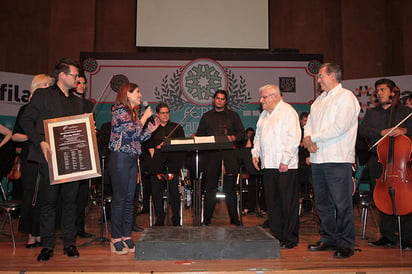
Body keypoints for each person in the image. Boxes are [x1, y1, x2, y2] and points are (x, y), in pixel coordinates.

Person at [20, 58, 86, 262]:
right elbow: (26, 120)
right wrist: (39, 141)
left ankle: (69, 243)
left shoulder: (77, 101)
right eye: (74, 75)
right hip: (48, 158)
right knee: (47, 203)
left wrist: (88, 132)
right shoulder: (43, 95)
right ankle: (47, 245)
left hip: (71, 160)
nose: (77, 79)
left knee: (70, 203)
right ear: (62, 75)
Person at [303, 63, 360, 259]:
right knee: (322, 203)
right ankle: (328, 239)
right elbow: (308, 124)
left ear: (333, 76)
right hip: (318, 158)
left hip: (337, 158)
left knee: (341, 203)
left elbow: (340, 127)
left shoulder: (346, 97)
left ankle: (346, 243)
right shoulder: (319, 100)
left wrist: (313, 138)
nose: (318, 80)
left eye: (321, 76)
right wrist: (308, 139)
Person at [358, 78, 412, 251]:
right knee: (382, 197)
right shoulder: (372, 113)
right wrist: (382, 132)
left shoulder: (405, 111)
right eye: (378, 90)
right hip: (379, 160)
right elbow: (363, 130)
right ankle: (387, 235)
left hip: (401, 161)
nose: (379, 93)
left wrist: (406, 130)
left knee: (406, 198)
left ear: (392, 91)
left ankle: (408, 237)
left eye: (382, 90)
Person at [108, 83, 159, 255]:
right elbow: (130, 131)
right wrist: (145, 117)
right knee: (120, 198)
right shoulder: (120, 110)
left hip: (131, 158)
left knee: (130, 199)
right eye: (137, 92)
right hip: (120, 158)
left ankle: (126, 235)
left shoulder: (132, 112)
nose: (140, 94)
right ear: (127, 94)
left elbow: (138, 137)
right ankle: (115, 237)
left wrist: (151, 129)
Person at [251, 84, 301, 249]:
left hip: (285, 166)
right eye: (261, 97)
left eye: (263, 97)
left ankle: (290, 238)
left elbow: (293, 138)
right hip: (269, 165)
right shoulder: (264, 114)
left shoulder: (288, 112)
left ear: (274, 96)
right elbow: (258, 136)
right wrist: (255, 153)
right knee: (272, 203)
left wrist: (285, 160)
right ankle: (277, 235)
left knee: (287, 203)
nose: (261, 100)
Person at [12, 74, 53, 248]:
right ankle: (31, 233)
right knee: (31, 195)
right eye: (48, 85)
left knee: (45, 196)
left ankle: (43, 232)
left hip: (46, 155)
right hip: (31, 156)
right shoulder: (26, 109)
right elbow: (15, 135)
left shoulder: (50, 108)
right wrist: (34, 137)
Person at [196, 90, 245, 226]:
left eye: (222, 99)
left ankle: (234, 219)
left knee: (230, 189)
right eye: (217, 98)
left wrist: (233, 137)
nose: (220, 101)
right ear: (214, 100)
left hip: (229, 155)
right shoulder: (206, 117)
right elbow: (199, 135)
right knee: (210, 188)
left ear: (226, 101)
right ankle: (207, 219)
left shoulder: (233, 116)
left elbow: (242, 134)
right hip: (211, 156)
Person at [141, 102, 186, 226]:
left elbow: (182, 145)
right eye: (162, 113)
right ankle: (160, 218)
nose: (165, 115)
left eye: (167, 113)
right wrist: (157, 147)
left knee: (174, 193)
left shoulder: (177, 127)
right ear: (157, 114)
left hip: (172, 164)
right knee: (156, 193)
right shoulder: (152, 128)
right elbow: (146, 145)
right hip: (156, 164)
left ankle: (176, 218)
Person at [72, 75, 95, 238]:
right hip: (69, 151)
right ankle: (67, 228)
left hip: (84, 151)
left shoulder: (88, 104)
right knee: (68, 195)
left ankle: (79, 228)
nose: (81, 85)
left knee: (82, 193)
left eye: (83, 83)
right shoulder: (66, 102)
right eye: (78, 82)